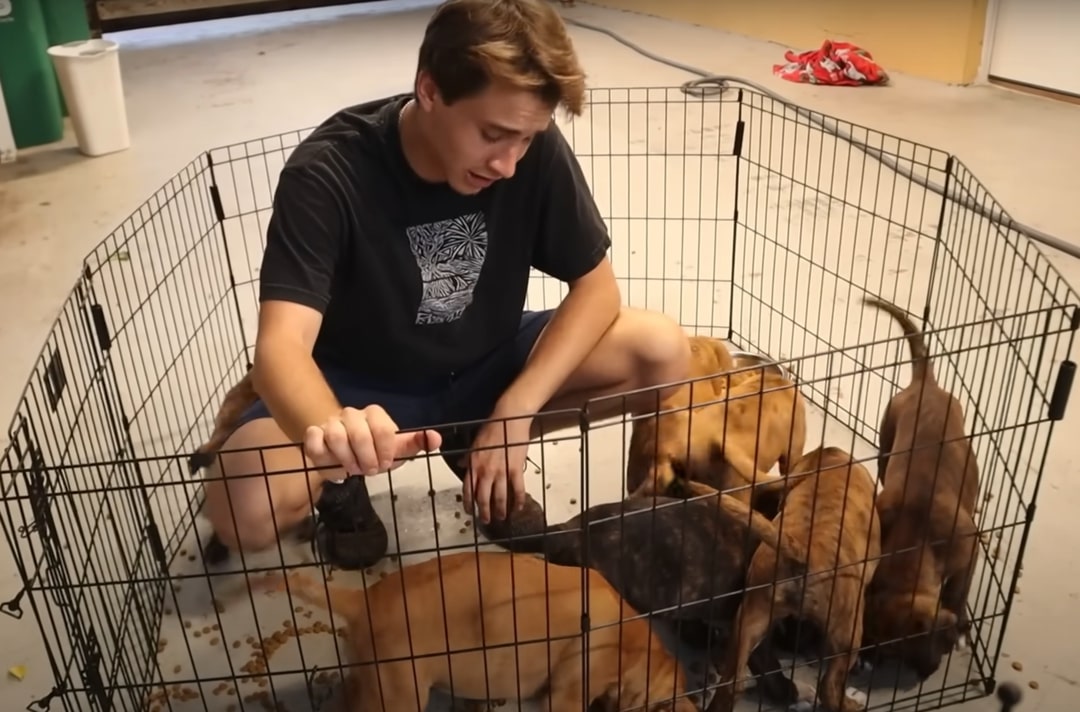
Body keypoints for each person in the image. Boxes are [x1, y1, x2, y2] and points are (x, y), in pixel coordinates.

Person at [200, 0, 691, 571]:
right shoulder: (328, 173)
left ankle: (474, 438)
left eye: (528, 139)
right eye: (493, 134)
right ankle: (344, 482)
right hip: (362, 386)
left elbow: (597, 289)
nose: (509, 163)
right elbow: (279, 348)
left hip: (486, 361)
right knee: (245, 509)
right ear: (429, 90)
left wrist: (516, 409)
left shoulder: (530, 150)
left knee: (662, 352)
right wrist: (339, 432)